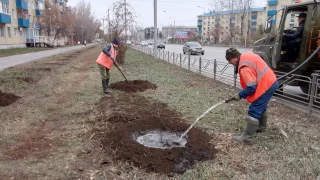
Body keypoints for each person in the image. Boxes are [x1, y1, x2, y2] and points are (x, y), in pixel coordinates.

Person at [224, 48, 279, 145]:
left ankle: (246, 138)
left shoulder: (244, 67)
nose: (229, 62)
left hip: (266, 85)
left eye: (229, 60)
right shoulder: (247, 56)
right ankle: (261, 127)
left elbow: (251, 88)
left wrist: (239, 95)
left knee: (254, 109)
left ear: (235, 57)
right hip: (270, 82)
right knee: (261, 106)